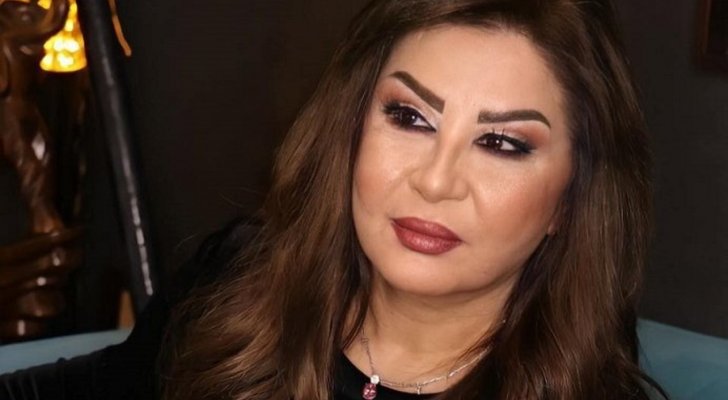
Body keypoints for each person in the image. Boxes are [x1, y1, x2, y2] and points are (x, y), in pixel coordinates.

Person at [1, 0, 667, 399]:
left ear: (568, 202)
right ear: (351, 127)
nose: (436, 181)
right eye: (409, 117)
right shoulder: (241, 281)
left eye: (502, 143)